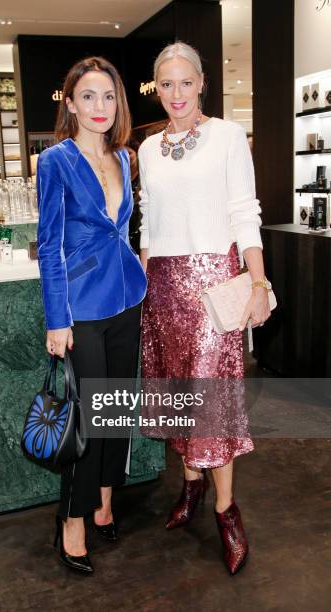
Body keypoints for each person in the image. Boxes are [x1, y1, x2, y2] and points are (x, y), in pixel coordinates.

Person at [138, 42, 271, 575]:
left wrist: (258, 281)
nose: (176, 94)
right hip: (163, 284)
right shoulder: (147, 149)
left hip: (214, 282)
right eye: (166, 84)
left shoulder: (228, 136)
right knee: (175, 391)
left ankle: (226, 511)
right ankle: (189, 486)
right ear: (158, 87)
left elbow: (245, 213)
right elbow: (148, 221)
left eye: (185, 83)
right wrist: (147, 275)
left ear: (201, 83)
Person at [37, 56, 147, 574]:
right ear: (71, 102)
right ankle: (74, 519)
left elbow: (121, 230)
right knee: (87, 417)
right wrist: (56, 319)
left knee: (117, 410)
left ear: (118, 103)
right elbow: (51, 245)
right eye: (88, 96)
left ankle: (105, 498)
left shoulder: (124, 157)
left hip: (128, 298)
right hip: (82, 309)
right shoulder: (56, 161)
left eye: (108, 96)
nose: (99, 106)